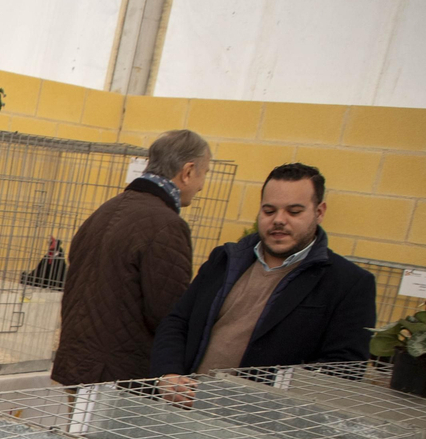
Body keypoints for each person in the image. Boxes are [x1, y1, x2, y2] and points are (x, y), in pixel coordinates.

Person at [152, 163, 376, 402]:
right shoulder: (226, 260)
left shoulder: (348, 283)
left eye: (294, 211)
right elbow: (178, 321)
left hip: (264, 427)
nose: (279, 220)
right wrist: (169, 375)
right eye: (269, 211)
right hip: (184, 409)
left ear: (319, 212)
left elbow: (341, 372)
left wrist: (256, 399)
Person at [51, 129, 211, 385]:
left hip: (77, 364)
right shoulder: (167, 225)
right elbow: (169, 312)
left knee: (79, 426)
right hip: (119, 378)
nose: (202, 185)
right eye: (204, 173)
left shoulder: (106, 211)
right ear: (188, 171)